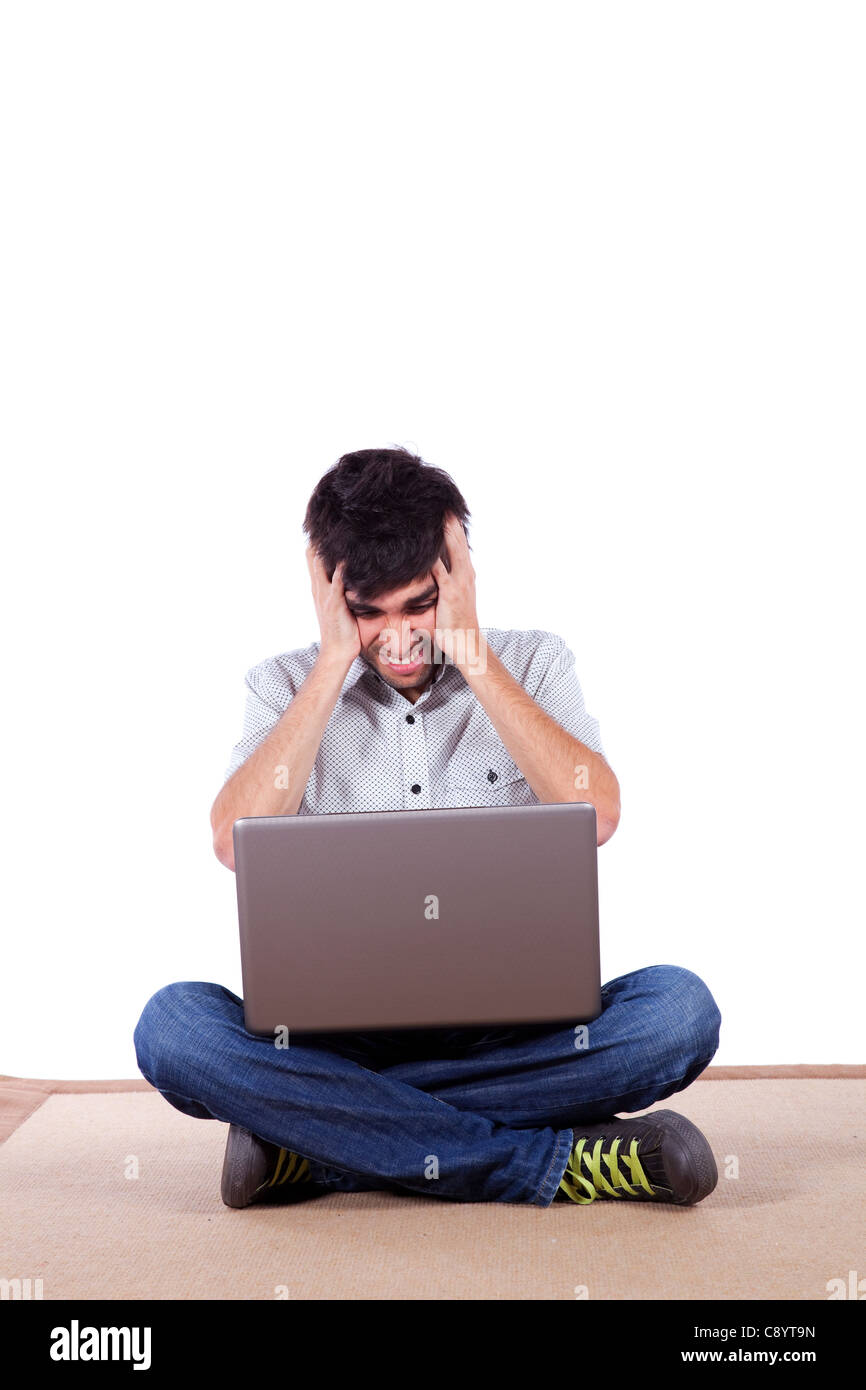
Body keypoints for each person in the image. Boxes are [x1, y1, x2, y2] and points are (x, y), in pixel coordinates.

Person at [134, 446, 721, 1209]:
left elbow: (599, 810)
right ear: (330, 597)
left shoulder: (534, 664)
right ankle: (551, 1163)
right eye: (367, 613)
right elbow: (228, 839)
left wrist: (471, 649)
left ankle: (315, 1141)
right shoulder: (280, 684)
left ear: (458, 575)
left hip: (512, 1035)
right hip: (334, 1041)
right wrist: (334, 662)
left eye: (418, 606)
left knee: (678, 1013)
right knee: (173, 1027)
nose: (400, 638)